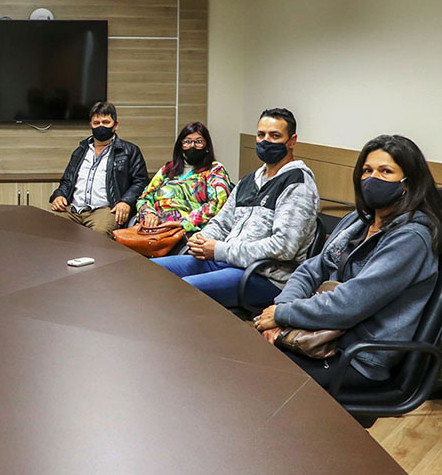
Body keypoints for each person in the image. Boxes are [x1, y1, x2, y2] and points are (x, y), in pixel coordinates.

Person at [254, 135, 442, 390]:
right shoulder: (358, 220)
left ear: (408, 182)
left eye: (385, 171)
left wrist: (283, 314)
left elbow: (350, 302)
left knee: (258, 375)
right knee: (247, 356)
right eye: (367, 170)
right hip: (317, 337)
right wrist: (283, 311)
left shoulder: (411, 238)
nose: (372, 178)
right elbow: (311, 269)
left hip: (357, 356)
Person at [151, 108, 320, 307]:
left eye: (275, 136)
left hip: (264, 276)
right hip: (227, 261)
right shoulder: (249, 180)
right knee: (150, 271)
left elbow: (283, 248)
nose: (266, 141)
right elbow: (222, 222)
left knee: (182, 289)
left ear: (291, 141)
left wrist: (220, 250)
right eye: (261, 135)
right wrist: (202, 238)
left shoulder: (298, 183)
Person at [50, 101, 149, 234]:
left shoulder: (129, 151)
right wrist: (59, 195)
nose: (101, 126)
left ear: (115, 125)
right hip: (73, 208)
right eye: (97, 123)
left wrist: (126, 202)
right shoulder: (80, 150)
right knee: (47, 225)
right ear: (90, 125)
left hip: (106, 210)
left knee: (98, 235)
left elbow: (140, 182)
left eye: (106, 122)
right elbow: (67, 181)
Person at [134, 122, 232, 237]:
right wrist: (149, 214)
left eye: (199, 142)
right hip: (154, 228)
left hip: (187, 231)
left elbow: (218, 204)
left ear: (207, 146)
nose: (193, 146)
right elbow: (144, 197)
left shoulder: (215, 170)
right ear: (180, 145)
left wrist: (183, 223)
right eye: (187, 141)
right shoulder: (168, 169)